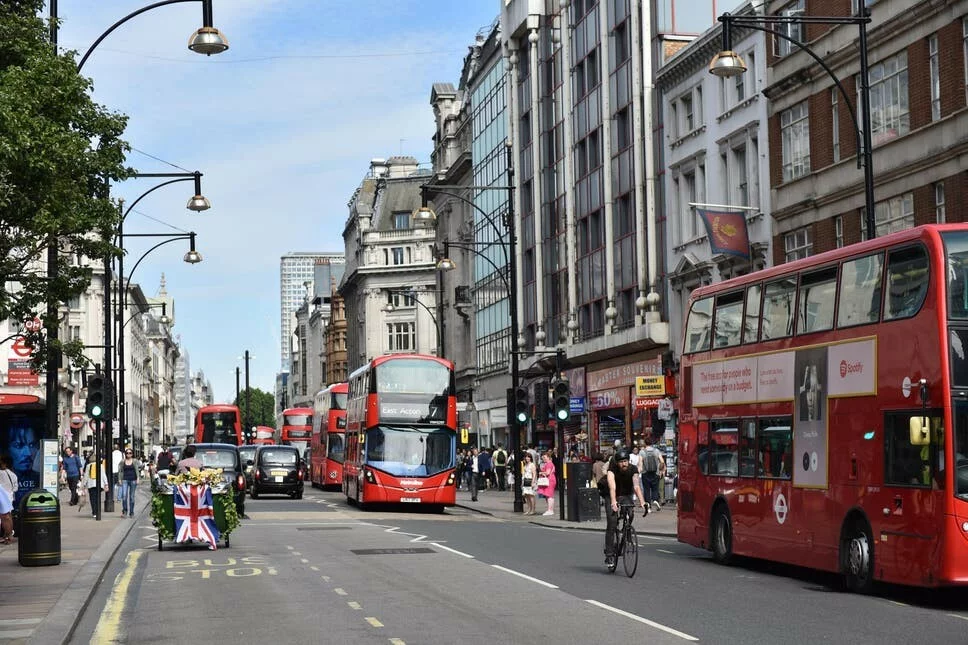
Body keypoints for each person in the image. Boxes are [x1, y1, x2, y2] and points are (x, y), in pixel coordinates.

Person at [603, 449, 647, 568]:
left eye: (626, 461)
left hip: (626, 495)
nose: (624, 464)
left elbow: (637, 486)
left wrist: (642, 502)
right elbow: (612, 487)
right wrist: (613, 502)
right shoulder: (612, 470)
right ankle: (609, 554)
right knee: (612, 523)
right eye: (621, 462)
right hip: (612, 495)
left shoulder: (633, 469)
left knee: (630, 512)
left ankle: (626, 531)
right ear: (617, 463)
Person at [7, 424, 39, 501]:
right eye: (18, 446)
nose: (28, 453)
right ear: (6, 449)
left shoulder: (40, 478)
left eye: (31, 445)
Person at [641, 438, 665, 512]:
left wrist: (639, 470)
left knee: (646, 490)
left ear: (645, 443)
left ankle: (648, 506)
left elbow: (640, 463)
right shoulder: (656, 451)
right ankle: (655, 500)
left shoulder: (642, 452)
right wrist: (660, 471)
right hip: (655, 473)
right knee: (655, 489)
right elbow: (662, 461)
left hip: (645, 473)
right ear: (652, 443)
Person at [82, 454, 109, 518]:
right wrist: (106, 484)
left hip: (91, 484)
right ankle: (98, 510)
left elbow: (86, 476)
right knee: (98, 497)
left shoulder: (88, 466)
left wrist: (84, 484)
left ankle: (94, 512)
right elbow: (103, 475)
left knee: (92, 498)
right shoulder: (101, 466)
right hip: (99, 484)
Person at [119, 448, 142, 518]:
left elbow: (139, 468)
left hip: (133, 480)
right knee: (124, 496)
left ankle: (131, 512)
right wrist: (120, 479)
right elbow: (120, 471)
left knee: (132, 497)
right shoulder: (123, 461)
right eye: (127, 453)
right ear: (125, 454)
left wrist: (138, 478)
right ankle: (125, 511)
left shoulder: (135, 461)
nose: (128, 454)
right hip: (125, 479)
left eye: (130, 453)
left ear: (132, 454)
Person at [536, 452, 557, 516]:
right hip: (550, 480)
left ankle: (550, 510)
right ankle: (550, 509)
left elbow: (547, 473)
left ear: (548, 457)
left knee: (549, 496)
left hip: (549, 480)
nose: (543, 459)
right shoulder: (549, 463)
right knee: (548, 495)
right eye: (543, 458)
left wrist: (541, 473)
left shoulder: (549, 464)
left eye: (544, 457)